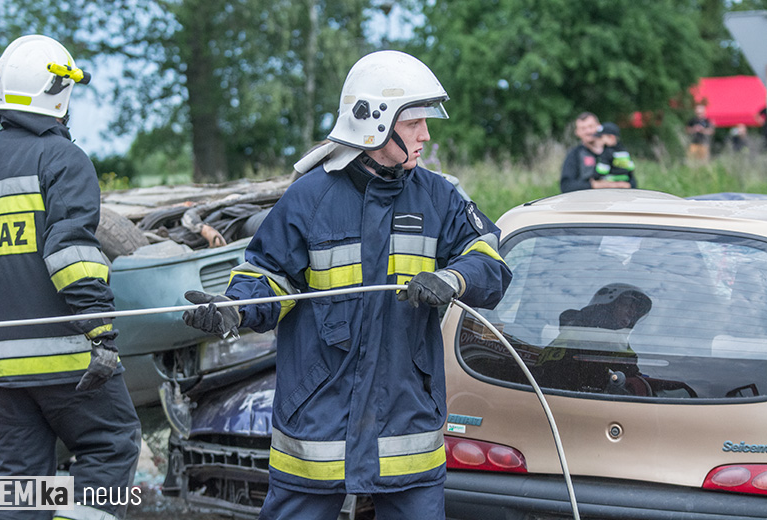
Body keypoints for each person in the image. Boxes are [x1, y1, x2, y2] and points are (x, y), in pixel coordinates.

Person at [182, 50, 512, 519]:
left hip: (406, 424)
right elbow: (268, 275)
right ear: (374, 122)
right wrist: (234, 308)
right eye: (414, 120)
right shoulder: (309, 198)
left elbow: (491, 260)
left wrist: (453, 278)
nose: (426, 134)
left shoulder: (439, 197)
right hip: (316, 424)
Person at [0, 35, 141, 519]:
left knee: (19, 479)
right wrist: (100, 329)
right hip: (65, 358)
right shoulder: (62, 159)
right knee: (111, 447)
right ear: (59, 93)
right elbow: (71, 253)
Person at [533, 283, 652, 394]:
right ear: (608, 306)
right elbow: (630, 367)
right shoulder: (607, 337)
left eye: (635, 310)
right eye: (627, 305)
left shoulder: (577, 326)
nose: (632, 312)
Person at [559, 112, 628, 192]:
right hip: (588, 201)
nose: (588, 131)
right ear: (577, 132)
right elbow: (566, 186)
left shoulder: (617, 151)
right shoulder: (574, 154)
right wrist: (595, 185)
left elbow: (631, 182)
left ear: (599, 127)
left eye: (591, 126)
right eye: (583, 128)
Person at [593, 122, 637, 188]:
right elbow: (631, 167)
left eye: (601, 137)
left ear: (611, 137)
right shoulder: (624, 151)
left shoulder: (607, 152)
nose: (598, 140)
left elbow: (603, 170)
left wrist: (593, 176)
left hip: (610, 184)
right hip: (625, 181)